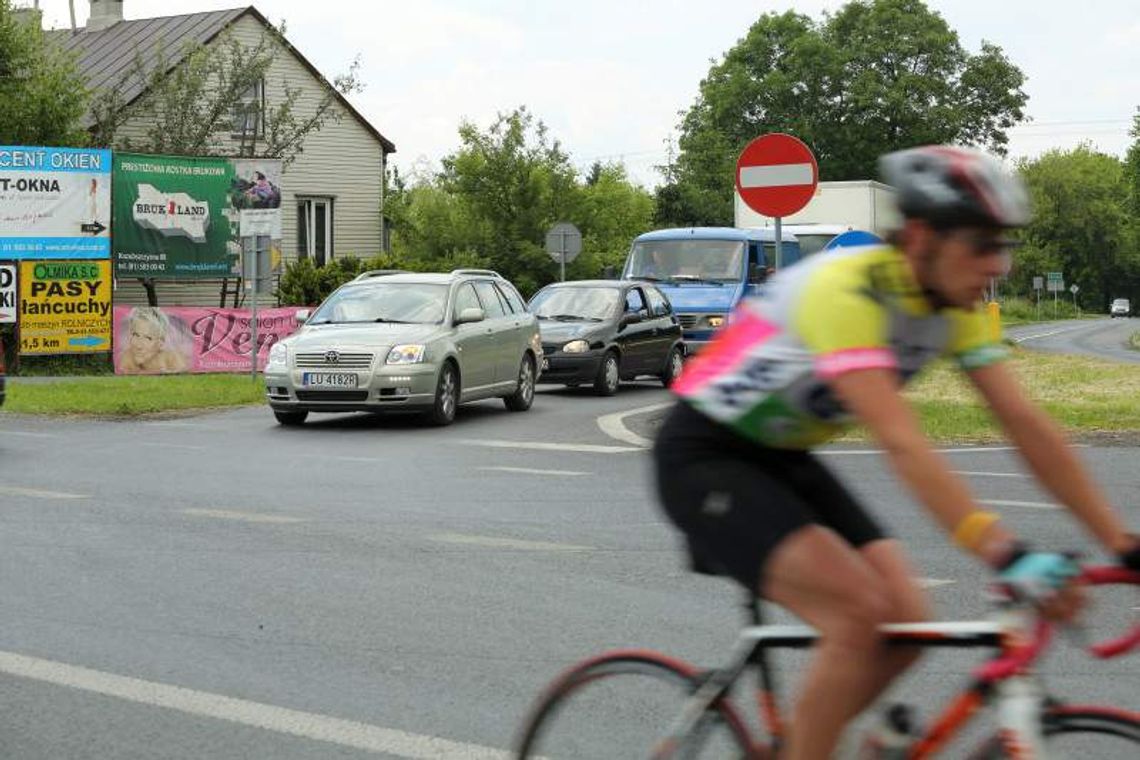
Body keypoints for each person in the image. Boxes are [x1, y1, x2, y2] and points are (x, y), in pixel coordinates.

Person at [653, 145, 1140, 760]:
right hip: (705, 451)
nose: (997, 265)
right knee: (858, 617)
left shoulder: (952, 305)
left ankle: (813, 742)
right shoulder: (846, 291)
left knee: (910, 624)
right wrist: (1003, 550)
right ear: (919, 237)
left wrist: (1120, 541)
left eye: (1004, 245)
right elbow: (902, 441)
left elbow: (1026, 423)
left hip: (783, 452)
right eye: (980, 244)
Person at [119, 307, 190, 374]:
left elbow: (185, 371)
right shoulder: (127, 358)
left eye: (148, 338)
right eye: (135, 335)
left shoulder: (172, 359)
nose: (139, 346)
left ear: (160, 343)